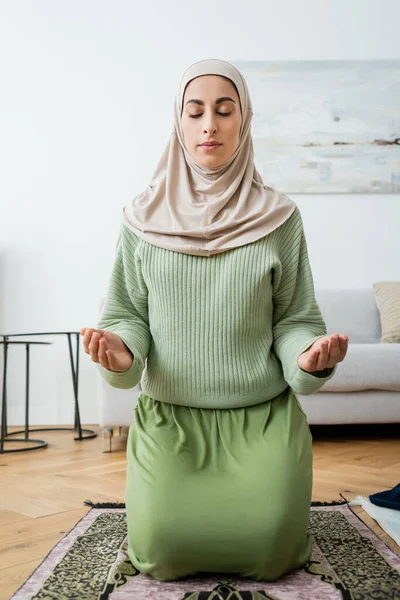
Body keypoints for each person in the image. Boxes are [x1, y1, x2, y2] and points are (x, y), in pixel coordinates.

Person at [81, 58, 349, 582]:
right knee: (161, 550)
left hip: (262, 418)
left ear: (243, 122)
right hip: (171, 422)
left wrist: (307, 356)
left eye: (225, 111)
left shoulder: (279, 218)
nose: (210, 125)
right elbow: (128, 314)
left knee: (273, 548)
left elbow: (294, 317)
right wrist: (121, 351)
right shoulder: (140, 218)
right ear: (178, 123)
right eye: (196, 111)